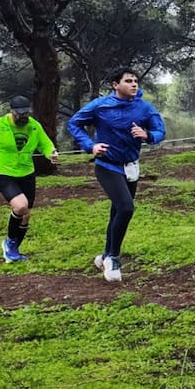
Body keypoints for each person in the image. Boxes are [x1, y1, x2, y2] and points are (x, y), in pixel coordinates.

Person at [67, 68, 166, 282]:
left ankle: (104, 256)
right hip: (107, 165)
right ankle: (113, 257)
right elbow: (74, 123)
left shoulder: (144, 108)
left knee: (117, 212)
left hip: (130, 167)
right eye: (128, 81)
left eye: (136, 81)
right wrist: (90, 146)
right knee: (126, 207)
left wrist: (147, 135)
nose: (134, 84)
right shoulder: (100, 105)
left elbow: (160, 131)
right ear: (115, 84)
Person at [0, 95, 59, 263]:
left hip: (27, 173)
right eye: (20, 114)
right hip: (5, 173)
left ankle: (13, 250)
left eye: (26, 113)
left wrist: (51, 153)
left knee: (26, 214)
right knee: (21, 206)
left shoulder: (34, 126)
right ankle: (9, 242)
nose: (24, 117)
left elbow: (45, 143)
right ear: (12, 111)